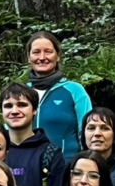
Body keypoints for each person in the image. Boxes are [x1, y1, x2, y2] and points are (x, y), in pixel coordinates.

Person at [1, 82, 66, 186]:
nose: (15, 110)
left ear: (35, 109)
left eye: (22, 105)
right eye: (8, 106)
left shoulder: (51, 154)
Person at [25, 31, 92, 161]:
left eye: (48, 51)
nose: (42, 57)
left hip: (65, 167)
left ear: (58, 56)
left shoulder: (74, 90)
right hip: (28, 168)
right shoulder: (21, 93)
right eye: (36, 52)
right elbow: (10, 131)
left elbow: (87, 132)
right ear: (29, 57)